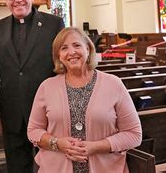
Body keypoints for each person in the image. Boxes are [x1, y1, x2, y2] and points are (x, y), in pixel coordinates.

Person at [27, 27, 142, 172]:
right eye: (64, 48)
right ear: (59, 55)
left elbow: (134, 134)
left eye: (76, 45)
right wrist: (57, 143)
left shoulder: (113, 84)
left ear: (88, 49)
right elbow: (33, 130)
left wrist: (96, 147)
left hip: (105, 168)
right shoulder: (47, 87)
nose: (71, 52)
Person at [0, 0, 65, 172]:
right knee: (16, 166)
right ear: (5, 0)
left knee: (50, 164)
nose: (18, 0)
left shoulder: (53, 24)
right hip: (12, 113)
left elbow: (62, 68)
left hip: (48, 111)